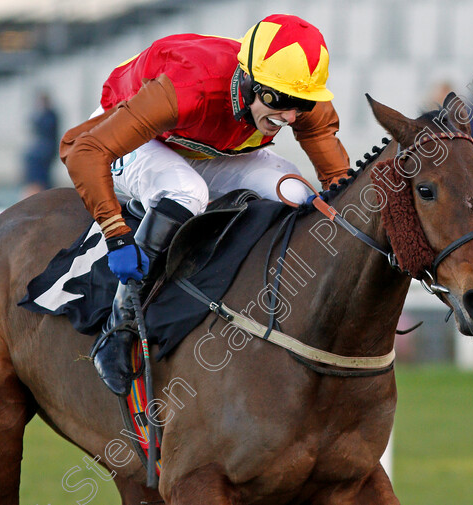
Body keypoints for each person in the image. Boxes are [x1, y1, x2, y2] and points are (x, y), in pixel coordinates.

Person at [60, 14, 351, 395]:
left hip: (207, 145)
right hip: (126, 132)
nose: (290, 116)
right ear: (247, 80)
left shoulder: (299, 107)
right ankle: (120, 327)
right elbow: (86, 151)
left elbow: (341, 188)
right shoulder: (189, 88)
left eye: (302, 102)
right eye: (278, 100)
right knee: (187, 192)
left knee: (298, 194)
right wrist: (116, 234)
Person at [22, 92, 60, 198]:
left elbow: (48, 130)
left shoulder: (51, 116)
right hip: (41, 151)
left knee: (42, 178)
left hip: (45, 152)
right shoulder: (39, 115)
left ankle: (41, 193)